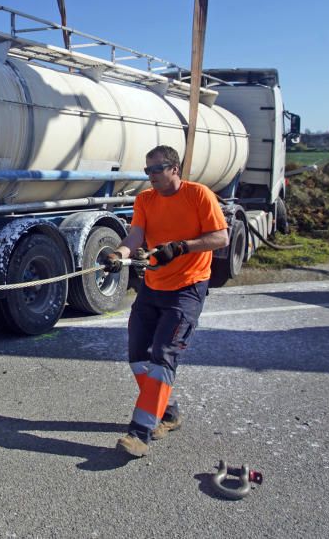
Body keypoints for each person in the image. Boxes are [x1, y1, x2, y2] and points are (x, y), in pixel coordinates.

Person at [103, 145, 228, 458]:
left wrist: (182, 247)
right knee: (137, 356)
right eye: (148, 171)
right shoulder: (146, 199)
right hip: (153, 286)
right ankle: (168, 413)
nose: (152, 176)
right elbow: (135, 237)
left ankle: (140, 433)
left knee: (162, 356)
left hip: (187, 289)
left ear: (175, 168)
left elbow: (220, 237)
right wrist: (119, 254)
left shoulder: (199, 195)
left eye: (157, 169)